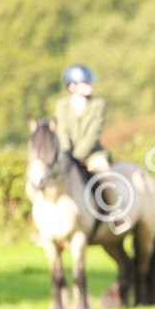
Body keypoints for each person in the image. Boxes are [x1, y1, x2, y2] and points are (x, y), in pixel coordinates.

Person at [54, 64, 125, 232]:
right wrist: (67, 154)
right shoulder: (61, 106)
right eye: (85, 82)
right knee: (49, 176)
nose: (90, 85)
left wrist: (78, 157)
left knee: (104, 173)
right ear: (72, 86)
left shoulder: (98, 105)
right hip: (68, 153)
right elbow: (62, 131)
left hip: (92, 154)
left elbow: (94, 134)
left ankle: (116, 214)